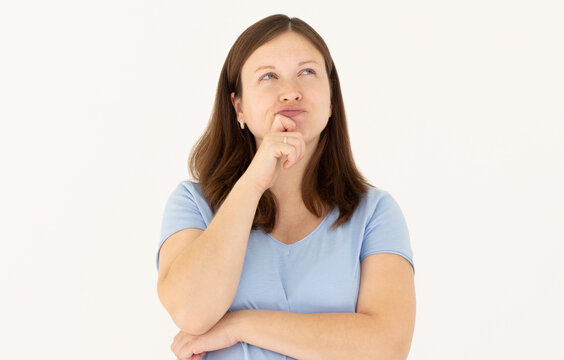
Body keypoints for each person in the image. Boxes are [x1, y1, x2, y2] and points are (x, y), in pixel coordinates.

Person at [156, 14, 415, 360]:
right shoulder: (192, 204)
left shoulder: (375, 213)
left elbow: (386, 346)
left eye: (307, 72)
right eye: (268, 76)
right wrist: (254, 182)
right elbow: (191, 312)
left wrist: (239, 325)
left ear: (331, 99)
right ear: (239, 107)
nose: (291, 92)